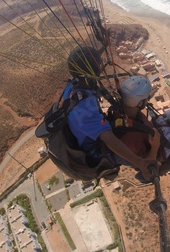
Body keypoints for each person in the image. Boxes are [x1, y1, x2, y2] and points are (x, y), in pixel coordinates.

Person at [65, 46, 158, 180]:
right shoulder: (86, 105)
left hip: (89, 136)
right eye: (99, 64)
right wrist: (140, 162)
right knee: (144, 154)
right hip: (98, 152)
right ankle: (147, 172)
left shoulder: (74, 85)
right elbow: (108, 139)